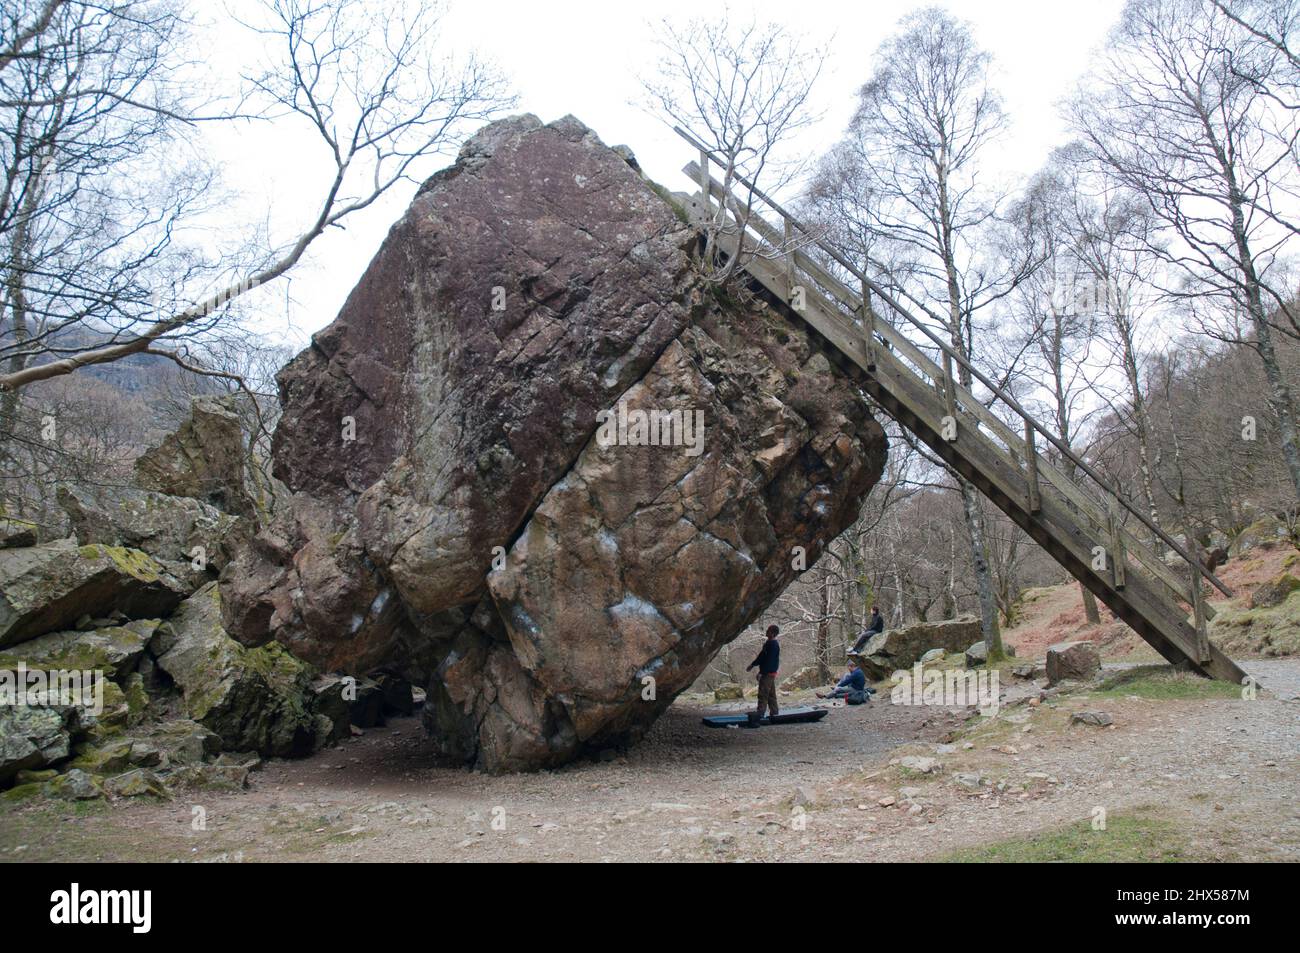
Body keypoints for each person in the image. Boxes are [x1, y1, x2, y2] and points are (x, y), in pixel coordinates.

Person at [746, 625, 781, 725]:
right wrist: (753, 665)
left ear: (773, 633)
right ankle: (774, 713)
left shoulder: (773, 645)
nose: (766, 631)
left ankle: (759, 715)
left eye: (769, 631)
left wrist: (762, 673)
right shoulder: (768, 643)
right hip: (769, 673)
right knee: (771, 695)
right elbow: (761, 656)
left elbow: (769, 660)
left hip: (768, 673)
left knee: (763, 694)